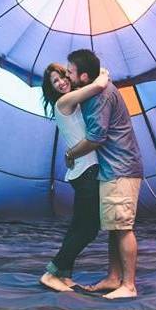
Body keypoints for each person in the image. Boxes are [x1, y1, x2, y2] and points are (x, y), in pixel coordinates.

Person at [63, 49, 144, 299]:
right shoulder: (97, 88)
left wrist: (71, 154)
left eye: (70, 73)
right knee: (114, 226)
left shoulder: (99, 97)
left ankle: (128, 286)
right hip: (114, 168)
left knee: (123, 227)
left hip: (120, 168)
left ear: (84, 77)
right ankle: (113, 278)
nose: (66, 77)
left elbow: (96, 138)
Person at [39, 63, 110, 292]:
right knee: (89, 228)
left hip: (84, 171)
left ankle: (64, 273)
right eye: (55, 82)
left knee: (79, 226)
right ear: (51, 89)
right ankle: (51, 273)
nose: (62, 82)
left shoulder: (72, 101)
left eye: (63, 76)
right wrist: (103, 71)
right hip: (86, 173)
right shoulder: (64, 102)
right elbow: (98, 85)